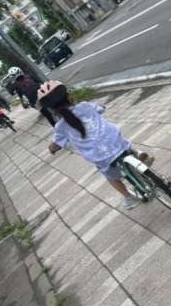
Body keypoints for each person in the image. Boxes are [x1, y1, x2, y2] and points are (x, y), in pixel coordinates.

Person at [38, 81, 153, 211]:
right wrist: (101, 107)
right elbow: (101, 109)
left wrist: (52, 149)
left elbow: (57, 144)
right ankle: (137, 154)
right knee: (120, 142)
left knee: (111, 177)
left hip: (100, 156)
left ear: (51, 110)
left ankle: (129, 197)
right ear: (69, 96)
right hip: (115, 140)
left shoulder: (60, 127)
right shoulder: (85, 106)